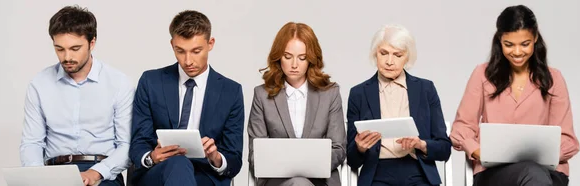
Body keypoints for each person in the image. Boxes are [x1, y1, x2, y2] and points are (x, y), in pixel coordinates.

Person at [450, 5, 580, 186]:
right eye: (509, 44)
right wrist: (481, 153)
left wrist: (544, 155)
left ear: (535, 38)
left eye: (525, 44)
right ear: (499, 40)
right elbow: (461, 128)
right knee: (531, 173)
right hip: (495, 173)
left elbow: (568, 139)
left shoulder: (554, 79)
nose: (517, 52)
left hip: (548, 172)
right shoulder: (482, 74)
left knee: (534, 173)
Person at [128, 10, 245, 186]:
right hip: (158, 173)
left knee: (181, 166)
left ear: (210, 43)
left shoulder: (231, 92)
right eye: (180, 51)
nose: (188, 61)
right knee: (178, 163)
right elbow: (138, 144)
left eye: (196, 51)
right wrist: (152, 157)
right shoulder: (150, 82)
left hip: (206, 176)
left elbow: (234, 159)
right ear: (172, 45)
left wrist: (215, 157)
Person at [19, 5, 132, 186]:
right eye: (59, 49)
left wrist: (95, 173)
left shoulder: (118, 83)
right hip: (53, 172)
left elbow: (126, 145)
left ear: (92, 43)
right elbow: (32, 143)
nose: (67, 57)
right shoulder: (39, 84)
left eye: (75, 48)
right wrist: (37, 176)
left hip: (101, 172)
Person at [346, 24, 451, 186]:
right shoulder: (358, 94)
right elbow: (352, 160)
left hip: (418, 171)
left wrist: (421, 144)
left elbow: (444, 148)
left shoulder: (426, 89)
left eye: (397, 55)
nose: (389, 61)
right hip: (377, 174)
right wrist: (359, 147)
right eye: (384, 53)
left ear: (407, 57)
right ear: (375, 54)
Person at [247, 22, 346, 186]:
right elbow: (255, 155)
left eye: (302, 58)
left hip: (320, 181)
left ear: (311, 59)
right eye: (287, 56)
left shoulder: (330, 93)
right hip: (277, 181)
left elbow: (338, 149)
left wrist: (307, 167)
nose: (294, 65)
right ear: (278, 57)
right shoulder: (262, 95)